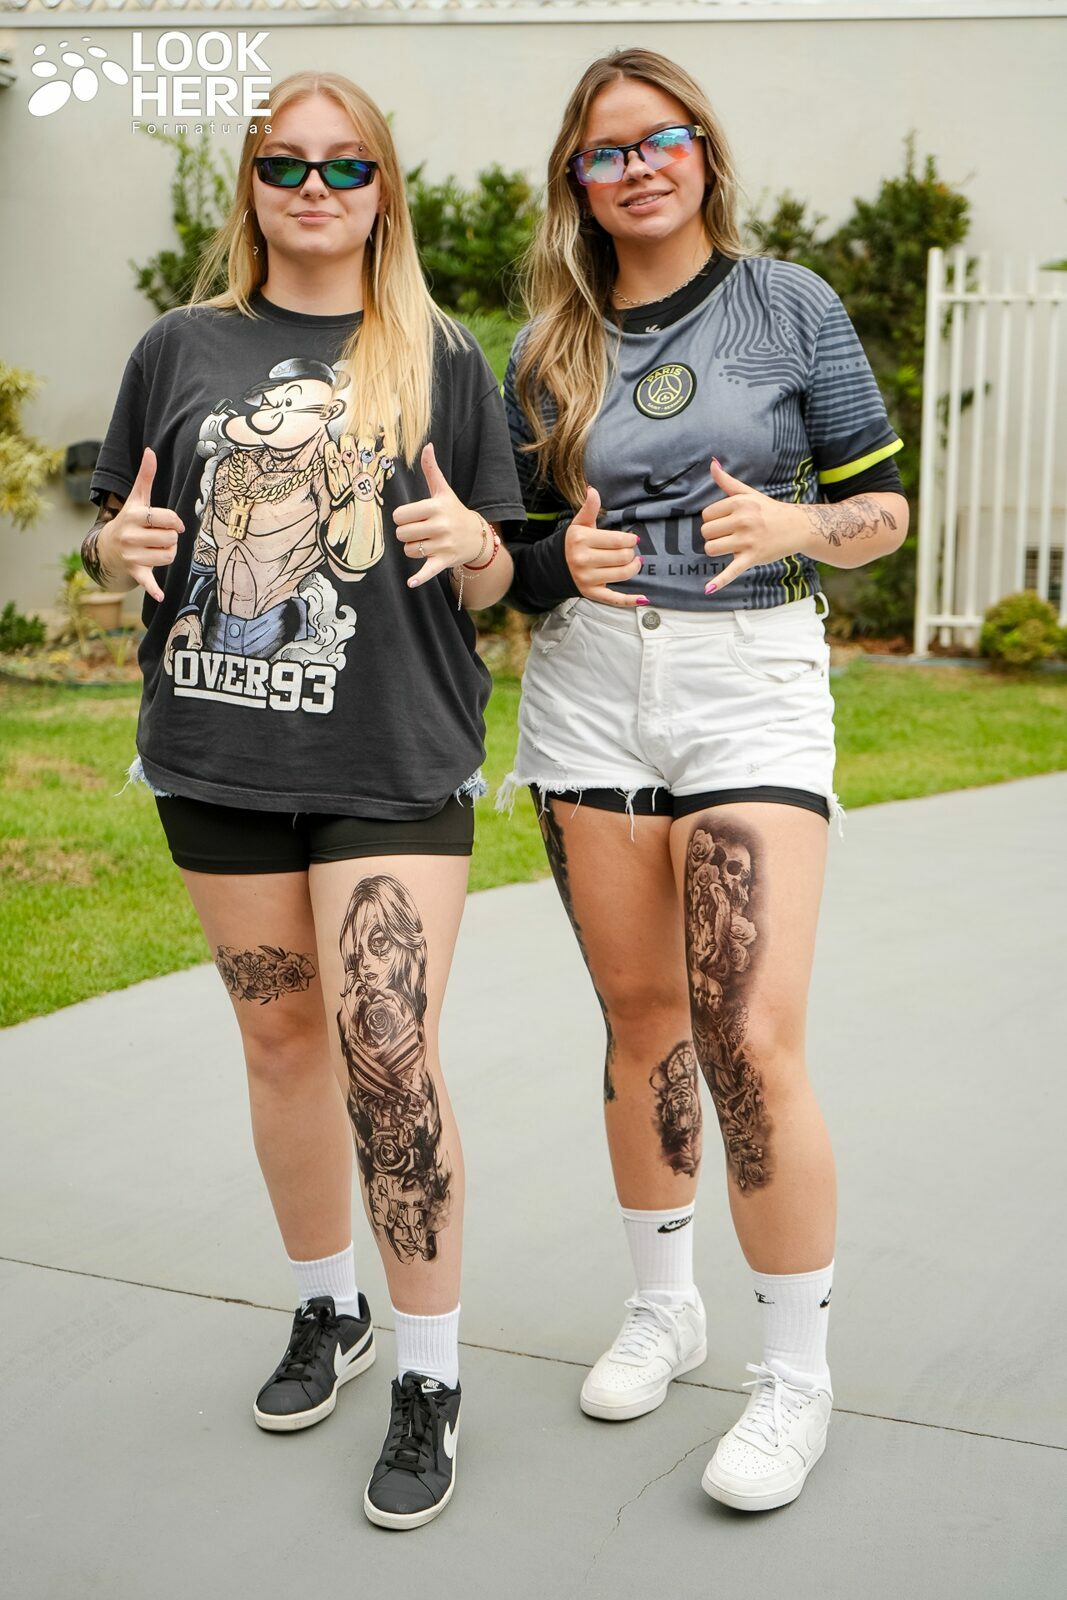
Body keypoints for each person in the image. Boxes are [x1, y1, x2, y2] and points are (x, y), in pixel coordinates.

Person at [82, 71, 522, 1531]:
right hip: (218, 751)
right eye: (287, 164)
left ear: (383, 188)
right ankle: (328, 1308)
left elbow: (496, 576)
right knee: (281, 1045)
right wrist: (110, 552)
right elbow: (120, 530)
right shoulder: (179, 345)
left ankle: (432, 1374)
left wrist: (475, 544)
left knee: (386, 1051)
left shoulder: (440, 355)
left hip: (393, 756)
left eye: (346, 167)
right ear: (252, 184)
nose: (315, 189)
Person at [501, 47, 907, 1513]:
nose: (638, 167)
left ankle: (794, 1376)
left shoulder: (789, 302)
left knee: (748, 1037)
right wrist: (554, 560)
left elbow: (882, 508)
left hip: (750, 682)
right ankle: (664, 1307)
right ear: (577, 181)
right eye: (606, 151)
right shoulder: (544, 349)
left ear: (703, 152)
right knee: (642, 1020)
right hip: (590, 691)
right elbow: (512, 555)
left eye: (659, 139)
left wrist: (801, 531)